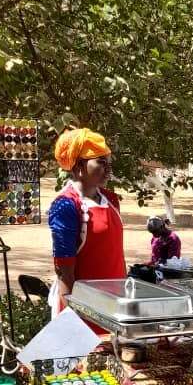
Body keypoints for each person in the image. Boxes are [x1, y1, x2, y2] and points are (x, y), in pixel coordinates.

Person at [47, 128, 125, 332]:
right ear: (79, 165)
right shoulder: (65, 205)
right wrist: (72, 322)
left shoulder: (112, 200)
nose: (108, 168)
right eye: (100, 161)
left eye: (108, 161)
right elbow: (64, 271)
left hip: (115, 303)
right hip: (83, 310)